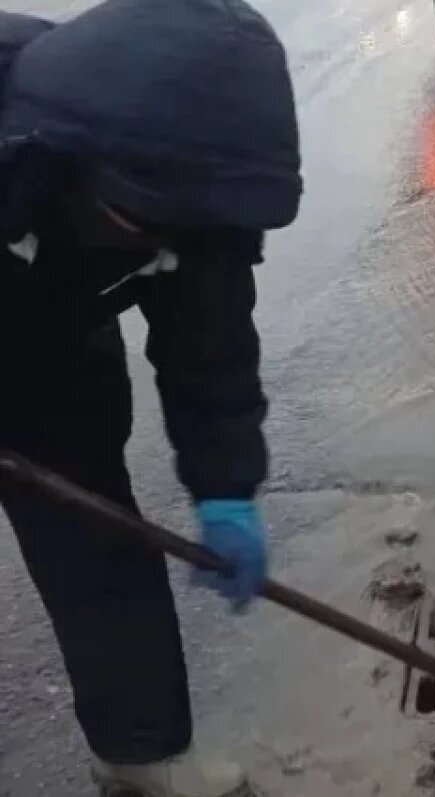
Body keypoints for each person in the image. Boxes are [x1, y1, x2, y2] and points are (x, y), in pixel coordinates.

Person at [0, 1, 301, 795]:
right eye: (151, 223)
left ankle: (139, 755)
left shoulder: (191, 190)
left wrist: (227, 488)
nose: (179, 247)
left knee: (95, 533)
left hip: (50, 345)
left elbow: (213, 355)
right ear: (74, 166)